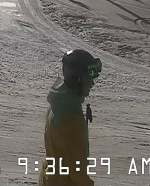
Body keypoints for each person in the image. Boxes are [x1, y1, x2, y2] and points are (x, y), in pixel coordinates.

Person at [39, 49, 102, 186]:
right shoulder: (71, 118)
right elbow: (76, 170)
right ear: (77, 79)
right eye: (89, 77)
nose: (92, 83)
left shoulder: (58, 103)